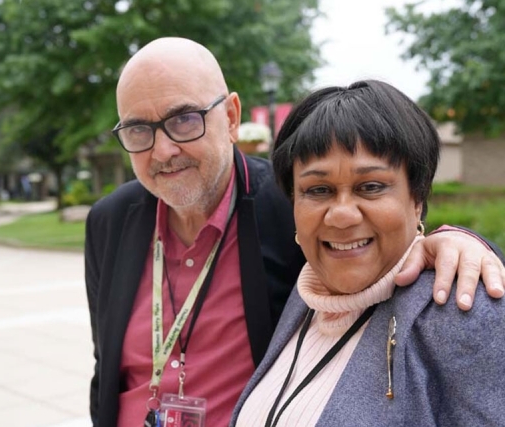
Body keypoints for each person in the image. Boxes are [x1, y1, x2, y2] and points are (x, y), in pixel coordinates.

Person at [85, 37, 505, 427]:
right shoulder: (108, 221)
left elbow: (385, 230)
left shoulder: (288, 205)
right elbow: (108, 366)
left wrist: (456, 238)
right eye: (139, 130)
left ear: (231, 117)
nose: (163, 150)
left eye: (184, 120)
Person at [231, 80, 505, 427]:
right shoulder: (305, 301)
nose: (342, 214)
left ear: (417, 198)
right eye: (318, 189)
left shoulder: (462, 313)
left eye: (371, 186)